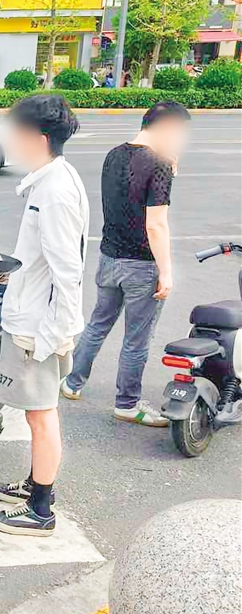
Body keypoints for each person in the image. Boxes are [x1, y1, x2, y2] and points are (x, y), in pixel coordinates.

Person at [0, 94, 88, 537]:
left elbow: (68, 271)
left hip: (38, 328)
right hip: (33, 316)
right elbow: (40, 259)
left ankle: (40, 509)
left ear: (38, 138)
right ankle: (34, 484)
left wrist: (53, 336)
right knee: (36, 413)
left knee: (42, 415)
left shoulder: (55, 192)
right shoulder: (51, 179)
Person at [61, 102, 191, 426]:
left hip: (109, 258)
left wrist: (170, 169)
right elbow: (155, 225)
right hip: (141, 265)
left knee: (98, 324)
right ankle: (127, 403)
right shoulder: (158, 164)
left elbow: (129, 193)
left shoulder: (114, 154)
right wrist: (166, 271)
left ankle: (72, 382)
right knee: (137, 339)